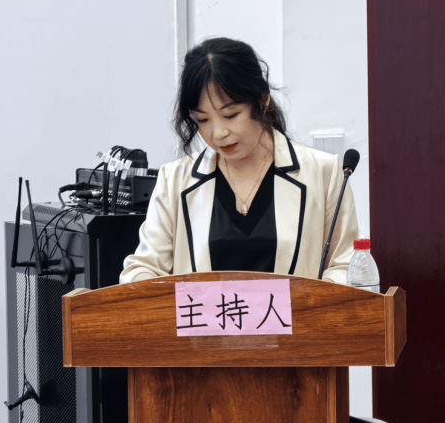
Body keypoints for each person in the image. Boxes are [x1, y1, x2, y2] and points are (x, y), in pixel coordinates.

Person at [120, 37, 360, 285]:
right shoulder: (174, 180)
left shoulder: (323, 172)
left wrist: (314, 301)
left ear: (262, 99)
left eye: (230, 115)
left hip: (301, 312)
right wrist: (142, 284)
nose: (218, 133)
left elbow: (346, 265)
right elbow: (143, 267)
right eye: (202, 120)